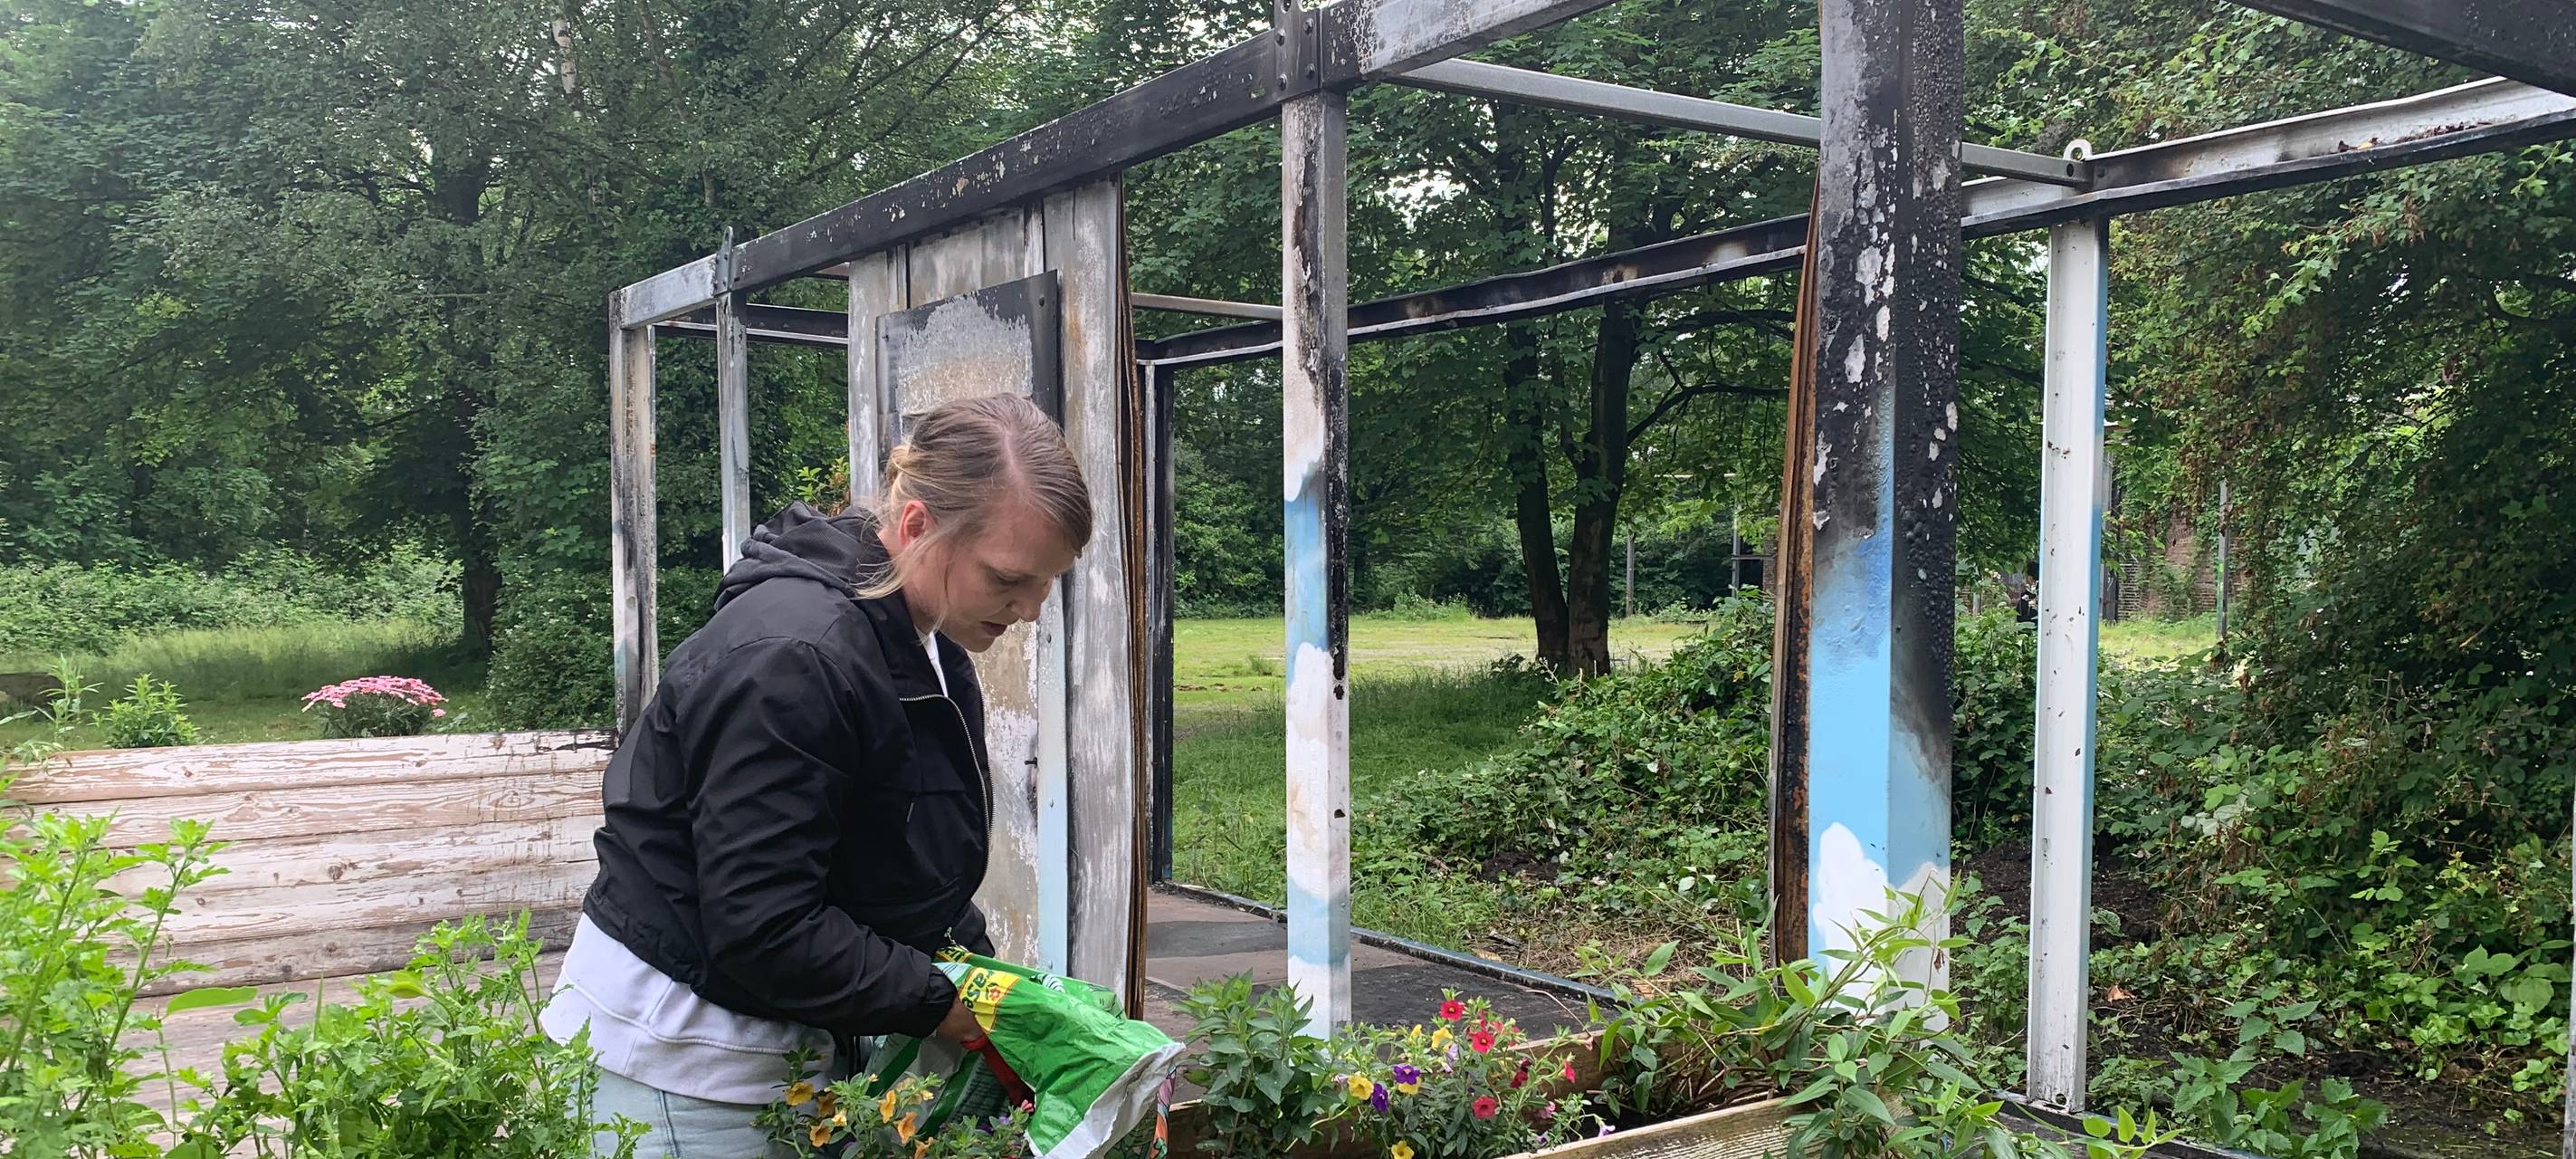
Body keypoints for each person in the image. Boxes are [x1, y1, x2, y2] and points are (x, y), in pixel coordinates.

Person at [540, 393, 1093, 1157]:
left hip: (783, 1050)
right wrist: (939, 1002)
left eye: (1046, 582)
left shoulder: (924, 644)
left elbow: (899, 864)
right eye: (1008, 578)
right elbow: (763, 924)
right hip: (684, 1063)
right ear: (917, 526)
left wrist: (987, 977)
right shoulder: (793, 660)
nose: (1031, 608)